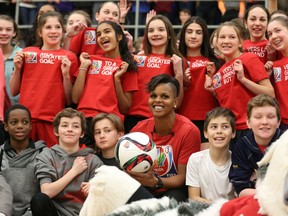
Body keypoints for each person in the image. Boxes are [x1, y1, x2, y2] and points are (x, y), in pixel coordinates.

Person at [10, 11, 78, 147]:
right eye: (48, 27)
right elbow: (13, 91)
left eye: (57, 27)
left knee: (50, 166)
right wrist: (17, 70)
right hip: (26, 122)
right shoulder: (27, 53)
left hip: (52, 121)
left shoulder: (69, 57)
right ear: (40, 32)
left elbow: (70, 99)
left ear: (63, 30)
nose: (53, 31)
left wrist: (65, 75)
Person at [129, 74, 201, 202]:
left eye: (164, 96)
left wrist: (156, 182)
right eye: (153, 96)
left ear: (175, 102)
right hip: (144, 187)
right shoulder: (138, 129)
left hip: (173, 189)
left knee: (175, 198)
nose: (157, 100)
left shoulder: (189, 131)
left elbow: (183, 177)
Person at [204, 21, 275, 147]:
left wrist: (243, 79)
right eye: (222, 37)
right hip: (231, 131)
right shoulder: (217, 74)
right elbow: (228, 102)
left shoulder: (249, 58)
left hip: (251, 128)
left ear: (241, 42)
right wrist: (213, 91)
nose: (226, 41)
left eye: (232, 37)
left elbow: (270, 93)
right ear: (216, 42)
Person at [72, 20, 138, 147]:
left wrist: (117, 80)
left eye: (107, 31)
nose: (102, 36)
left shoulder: (127, 66)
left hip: (110, 122)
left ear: (119, 37)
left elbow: (125, 108)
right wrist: (83, 67)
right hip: (85, 120)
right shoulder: (90, 60)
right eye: (99, 34)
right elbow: (75, 98)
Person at [30, 108, 103, 216]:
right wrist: (74, 171)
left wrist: (92, 190)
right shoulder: (46, 156)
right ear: (56, 131)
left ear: (82, 133)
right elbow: (46, 192)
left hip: (83, 213)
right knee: (39, 199)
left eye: (75, 126)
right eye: (65, 125)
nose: (70, 129)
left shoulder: (93, 160)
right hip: (54, 213)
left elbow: (101, 198)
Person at [125, 15, 185, 133]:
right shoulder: (137, 58)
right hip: (133, 119)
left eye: (161, 30)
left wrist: (179, 74)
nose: (155, 33)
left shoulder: (176, 60)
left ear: (169, 34)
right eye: (151, 30)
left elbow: (178, 102)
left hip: (160, 119)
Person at [178, 16, 222, 147]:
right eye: (189, 31)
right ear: (183, 34)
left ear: (204, 36)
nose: (193, 36)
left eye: (198, 32)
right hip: (182, 118)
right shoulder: (175, 59)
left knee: (206, 165)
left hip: (209, 119)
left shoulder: (216, 61)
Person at [229, 94, 282, 197]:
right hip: (254, 201)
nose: (264, 122)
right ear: (248, 122)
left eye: (270, 117)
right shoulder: (241, 147)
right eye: (258, 117)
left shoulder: (285, 143)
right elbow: (241, 189)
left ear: (278, 122)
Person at [1, 104, 46, 216]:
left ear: (31, 125)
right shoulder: (0, 153)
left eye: (25, 122)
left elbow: (46, 193)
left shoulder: (43, 153)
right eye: (14, 122)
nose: (20, 126)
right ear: (6, 126)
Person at [186, 107, 236, 204]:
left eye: (225, 127)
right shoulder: (195, 160)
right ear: (205, 133)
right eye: (214, 127)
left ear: (233, 133)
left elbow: (240, 200)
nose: (219, 131)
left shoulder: (238, 162)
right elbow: (193, 198)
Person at [65, 1, 133, 56]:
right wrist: (68, 36)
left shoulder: (121, 38)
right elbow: (68, 57)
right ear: (97, 16)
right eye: (106, 12)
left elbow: (126, 63)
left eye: (115, 14)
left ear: (118, 21)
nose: (110, 16)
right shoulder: (85, 33)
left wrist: (129, 48)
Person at [266, 16, 288, 132]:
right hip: (283, 126)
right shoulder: (275, 66)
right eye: (269, 34)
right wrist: (268, 77)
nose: (273, 36)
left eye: (278, 30)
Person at [0, 15, 22, 105]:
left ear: (14, 33)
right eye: (0, 29)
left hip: (17, 111)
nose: (4, 33)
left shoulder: (23, 55)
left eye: (8, 29)